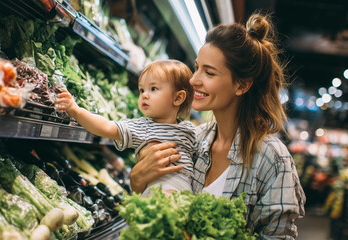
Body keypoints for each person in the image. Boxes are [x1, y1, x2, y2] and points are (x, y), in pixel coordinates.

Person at [129, 13, 306, 239]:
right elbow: (157, 208)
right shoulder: (192, 139)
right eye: (197, 68)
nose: (194, 80)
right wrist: (138, 182)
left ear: (241, 85)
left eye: (209, 72)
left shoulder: (272, 159)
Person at [55, 59, 196, 196]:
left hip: (186, 191)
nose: (144, 95)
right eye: (142, 90)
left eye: (153, 88)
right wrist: (76, 111)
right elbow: (106, 126)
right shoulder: (142, 126)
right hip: (156, 192)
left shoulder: (189, 129)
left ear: (178, 98)